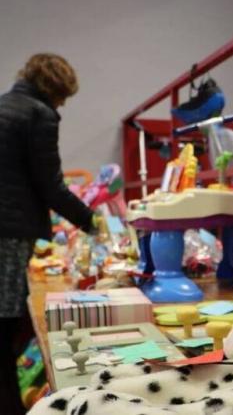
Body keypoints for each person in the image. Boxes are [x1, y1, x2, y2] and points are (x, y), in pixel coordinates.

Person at [0, 53, 96, 414]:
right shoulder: (38, 114)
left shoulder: (6, 105)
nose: (63, 105)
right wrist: (92, 220)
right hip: (7, 233)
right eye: (63, 97)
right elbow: (51, 186)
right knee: (5, 323)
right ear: (56, 90)